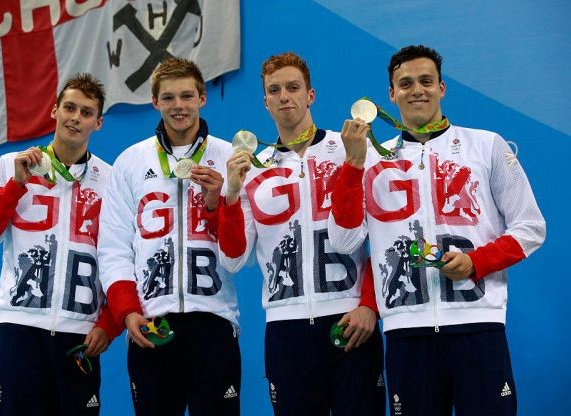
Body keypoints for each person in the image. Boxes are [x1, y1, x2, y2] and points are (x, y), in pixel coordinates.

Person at [328, 44, 546, 416]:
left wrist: (477, 261)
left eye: (426, 81)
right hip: (405, 332)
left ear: (442, 88)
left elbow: (531, 227)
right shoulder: (370, 160)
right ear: (391, 94)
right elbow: (345, 240)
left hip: (477, 324)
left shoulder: (485, 145)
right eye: (406, 83)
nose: (418, 90)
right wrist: (351, 164)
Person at [218, 52, 385, 416]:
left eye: (293, 88)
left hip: (350, 320)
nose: (284, 97)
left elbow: (386, 236)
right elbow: (232, 259)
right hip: (286, 326)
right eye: (274, 90)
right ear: (265, 101)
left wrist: (370, 305)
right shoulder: (255, 168)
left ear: (311, 95)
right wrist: (230, 196)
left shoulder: (352, 149)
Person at [0, 73, 122, 415]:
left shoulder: (111, 179)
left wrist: (109, 323)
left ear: (99, 123)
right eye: (69, 108)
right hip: (19, 328)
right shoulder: (13, 165)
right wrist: (16, 186)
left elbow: (122, 257)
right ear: (54, 111)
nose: (75, 118)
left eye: (86, 112)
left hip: (80, 336)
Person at [97, 57, 241, 416]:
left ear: (203, 98)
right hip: (151, 323)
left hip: (214, 320)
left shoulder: (229, 158)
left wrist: (216, 205)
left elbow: (241, 252)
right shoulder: (130, 162)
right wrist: (128, 313)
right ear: (155, 102)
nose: (179, 105)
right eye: (169, 97)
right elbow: (113, 249)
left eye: (187, 96)